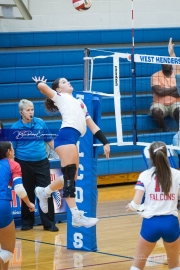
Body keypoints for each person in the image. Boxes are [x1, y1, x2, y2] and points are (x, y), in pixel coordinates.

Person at [32, 76, 110, 228]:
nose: (67, 82)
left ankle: (45, 191)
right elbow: (43, 88)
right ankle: (75, 216)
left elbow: (93, 126)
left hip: (72, 139)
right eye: (63, 82)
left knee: (71, 178)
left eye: (67, 80)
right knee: (69, 177)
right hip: (65, 137)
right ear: (58, 89)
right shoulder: (60, 97)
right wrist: (39, 82)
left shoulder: (80, 103)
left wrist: (105, 142)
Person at [126, 141, 180, 270]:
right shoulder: (177, 174)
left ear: (150, 157)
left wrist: (131, 206)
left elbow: (136, 203)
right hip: (171, 224)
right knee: (174, 264)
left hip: (150, 224)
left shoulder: (144, 175)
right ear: (167, 155)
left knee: (138, 265)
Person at [10, 99, 59, 232]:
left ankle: (49, 223)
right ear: (21, 112)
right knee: (26, 192)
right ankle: (27, 222)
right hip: (23, 164)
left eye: (32, 109)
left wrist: (60, 153)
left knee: (46, 192)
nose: (31, 112)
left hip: (42, 162)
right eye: (28, 110)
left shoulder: (40, 123)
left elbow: (49, 140)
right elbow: (12, 150)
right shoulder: (15, 128)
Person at [0, 141, 35, 270]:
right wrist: (28, 203)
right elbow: (19, 189)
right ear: (9, 151)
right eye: (12, 149)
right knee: (7, 251)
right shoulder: (13, 164)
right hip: (2, 205)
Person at [150, 61, 180, 132]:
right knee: (156, 111)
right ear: (161, 64)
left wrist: (164, 92)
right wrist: (175, 87)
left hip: (176, 102)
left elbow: (178, 93)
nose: (167, 65)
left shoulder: (178, 75)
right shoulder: (155, 76)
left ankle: (179, 130)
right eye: (165, 63)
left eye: (169, 63)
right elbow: (159, 91)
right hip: (159, 103)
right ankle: (164, 128)